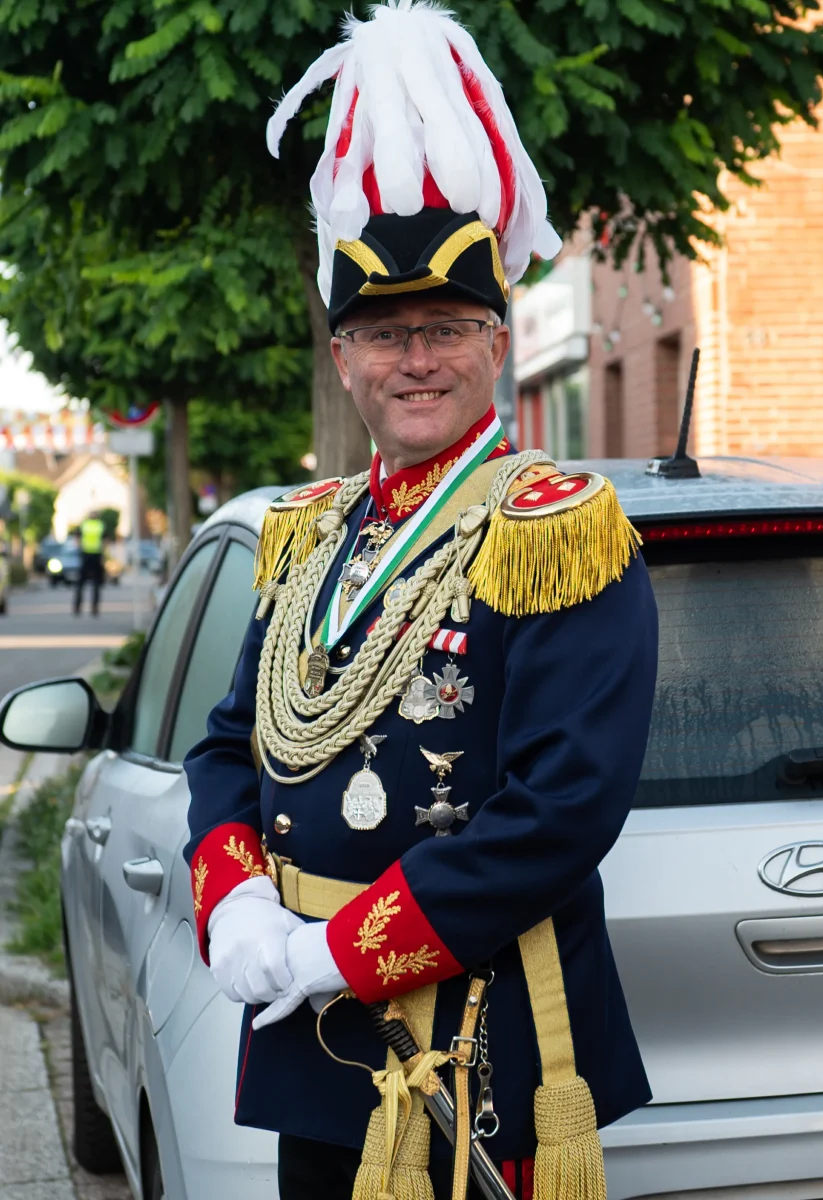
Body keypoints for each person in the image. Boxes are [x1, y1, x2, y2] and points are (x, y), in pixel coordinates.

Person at [184, 4, 658, 1199]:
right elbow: (230, 743)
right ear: (342, 360)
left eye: (445, 327)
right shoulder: (308, 534)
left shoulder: (551, 530)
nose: (416, 359)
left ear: (495, 343)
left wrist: (338, 952)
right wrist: (233, 900)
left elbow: (559, 809)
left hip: (478, 1044)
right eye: (383, 333)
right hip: (311, 1045)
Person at [73, 512, 105, 617]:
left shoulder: (84, 525)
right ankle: (94, 608)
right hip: (96, 555)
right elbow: (105, 540)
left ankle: (77, 607)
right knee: (96, 584)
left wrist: (80, 549)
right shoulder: (100, 525)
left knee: (80, 583)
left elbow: (77, 539)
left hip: (85, 555)